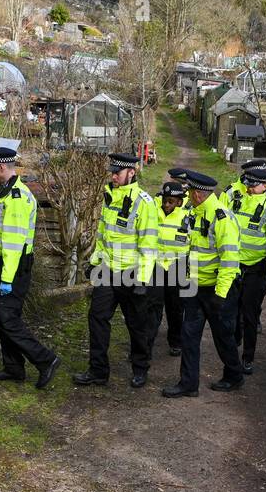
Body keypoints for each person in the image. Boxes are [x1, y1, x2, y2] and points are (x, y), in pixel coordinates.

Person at [0, 147, 61, 388]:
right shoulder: (5, 193)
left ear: (1, 167)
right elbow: (0, 236)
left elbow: (13, 243)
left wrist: (7, 279)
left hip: (16, 265)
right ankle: (13, 367)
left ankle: (46, 359)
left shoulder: (17, 198)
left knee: (7, 318)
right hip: (8, 263)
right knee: (2, 317)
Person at [74, 153, 159, 388]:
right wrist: (95, 260)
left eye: (117, 172)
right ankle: (98, 371)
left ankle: (140, 368)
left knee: (136, 324)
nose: (113, 176)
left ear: (131, 172)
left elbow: (149, 245)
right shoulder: (109, 197)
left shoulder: (145, 203)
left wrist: (142, 280)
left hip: (132, 274)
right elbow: (103, 236)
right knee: (97, 318)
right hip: (108, 271)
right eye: (112, 172)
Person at [162, 170, 243, 398]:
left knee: (223, 336)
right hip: (195, 287)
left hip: (218, 289)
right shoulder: (195, 214)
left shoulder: (222, 219)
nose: (186, 198)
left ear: (198, 194)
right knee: (189, 335)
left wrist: (220, 294)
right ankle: (188, 384)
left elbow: (229, 259)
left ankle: (234, 375)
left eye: (189, 194)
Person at [229, 167, 266, 374]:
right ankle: (234, 343)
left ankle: (248, 357)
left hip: (255, 270)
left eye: (254, 185)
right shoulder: (238, 200)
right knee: (232, 310)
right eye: (248, 184)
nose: (250, 188)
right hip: (234, 267)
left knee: (250, 316)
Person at [146, 180, 190, 358]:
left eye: (171, 201)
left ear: (179, 202)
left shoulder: (189, 217)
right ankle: (146, 344)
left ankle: (176, 341)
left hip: (177, 267)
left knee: (175, 307)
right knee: (152, 306)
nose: (166, 204)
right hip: (156, 266)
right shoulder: (153, 212)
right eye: (165, 200)